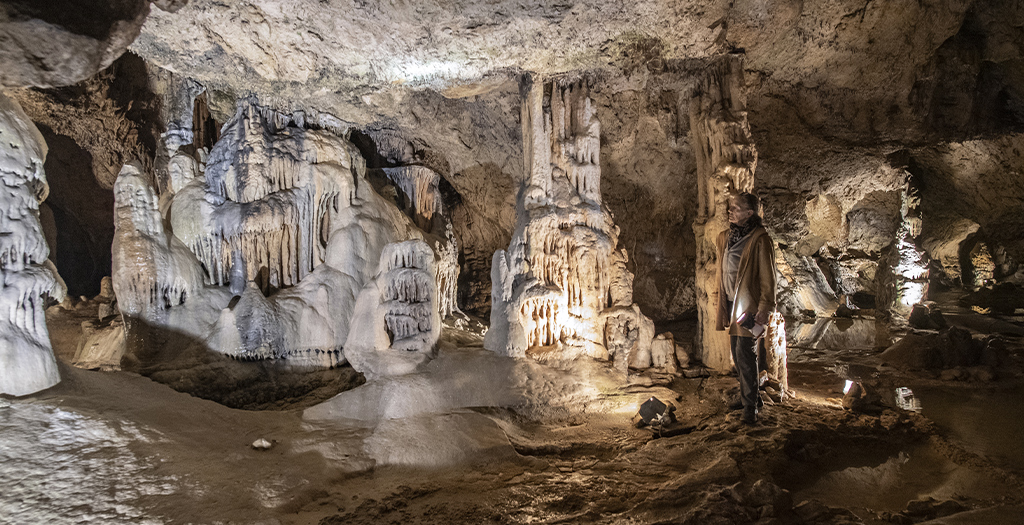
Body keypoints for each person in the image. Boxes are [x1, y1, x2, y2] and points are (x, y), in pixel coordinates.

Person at [715, 192, 778, 425]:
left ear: (749, 213)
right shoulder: (727, 237)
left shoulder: (760, 239)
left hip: (749, 307)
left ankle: (750, 408)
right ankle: (751, 397)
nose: (730, 210)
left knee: (745, 354)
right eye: (730, 207)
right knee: (737, 352)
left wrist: (765, 308)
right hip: (732, 304)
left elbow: (768, 278)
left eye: (736, 208)